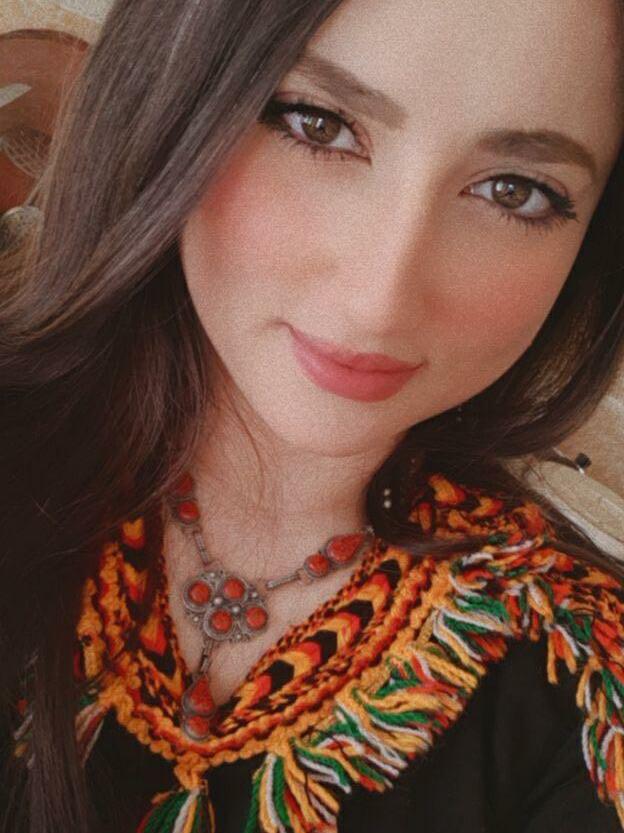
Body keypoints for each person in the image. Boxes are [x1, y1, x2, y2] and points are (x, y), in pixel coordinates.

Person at [1, 0, 624, 831]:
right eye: (318, 124)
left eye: (515, 191)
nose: (379, 298)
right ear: (178, 95)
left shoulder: (584, 679)